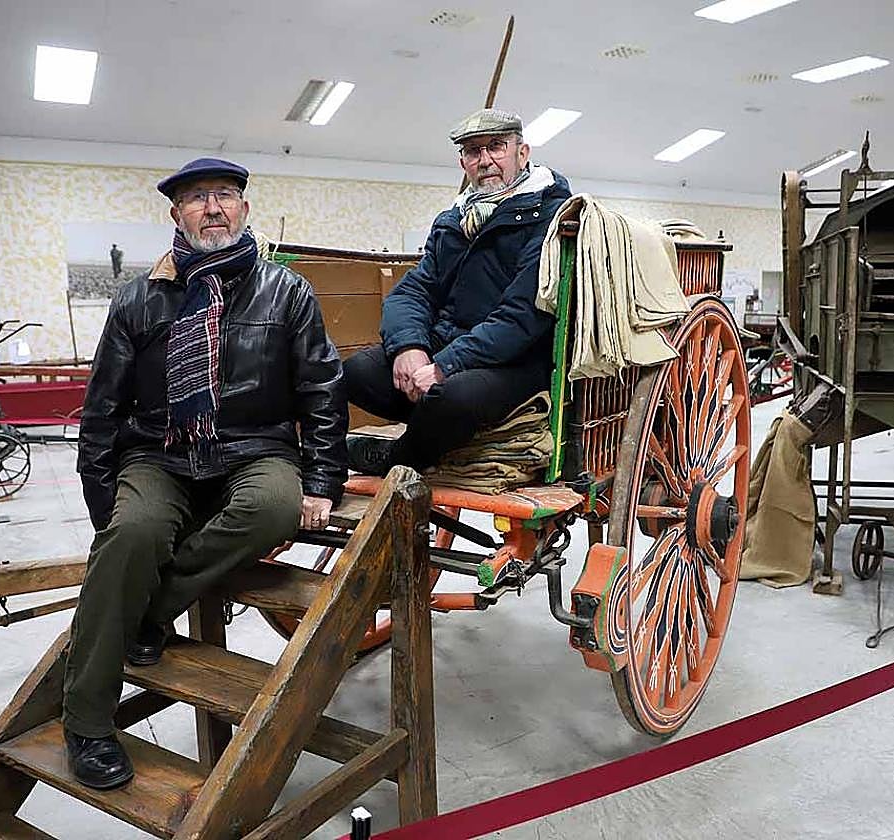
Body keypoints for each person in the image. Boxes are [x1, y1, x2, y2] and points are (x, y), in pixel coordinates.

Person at [64, 157, 347, 789]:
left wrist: (323, 481)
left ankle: (149, 611)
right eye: (196, 198)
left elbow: (321, 388)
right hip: (159, 452)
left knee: (273, 507)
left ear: (244, 208)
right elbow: (103, 407)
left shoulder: (286, 291)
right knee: (131, 535)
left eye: (224, 195)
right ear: (177, 214)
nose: (212, 208)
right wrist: (104, 505)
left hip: (255, 448)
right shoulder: (138, 298)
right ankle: (85, 722)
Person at [344, 108, 572, 475]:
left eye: (496, 146)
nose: (485, 160)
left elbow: (522, 316)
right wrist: (409, 347)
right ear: (463, 162)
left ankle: (400, 456)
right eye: (473, 151)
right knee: (357, 371)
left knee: (454, 396)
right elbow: (414, 292)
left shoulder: (551, 216)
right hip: (449, 343)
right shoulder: (453, 220)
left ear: (522, 153)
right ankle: (442, 431)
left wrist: (444, 366)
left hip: (515, 360)